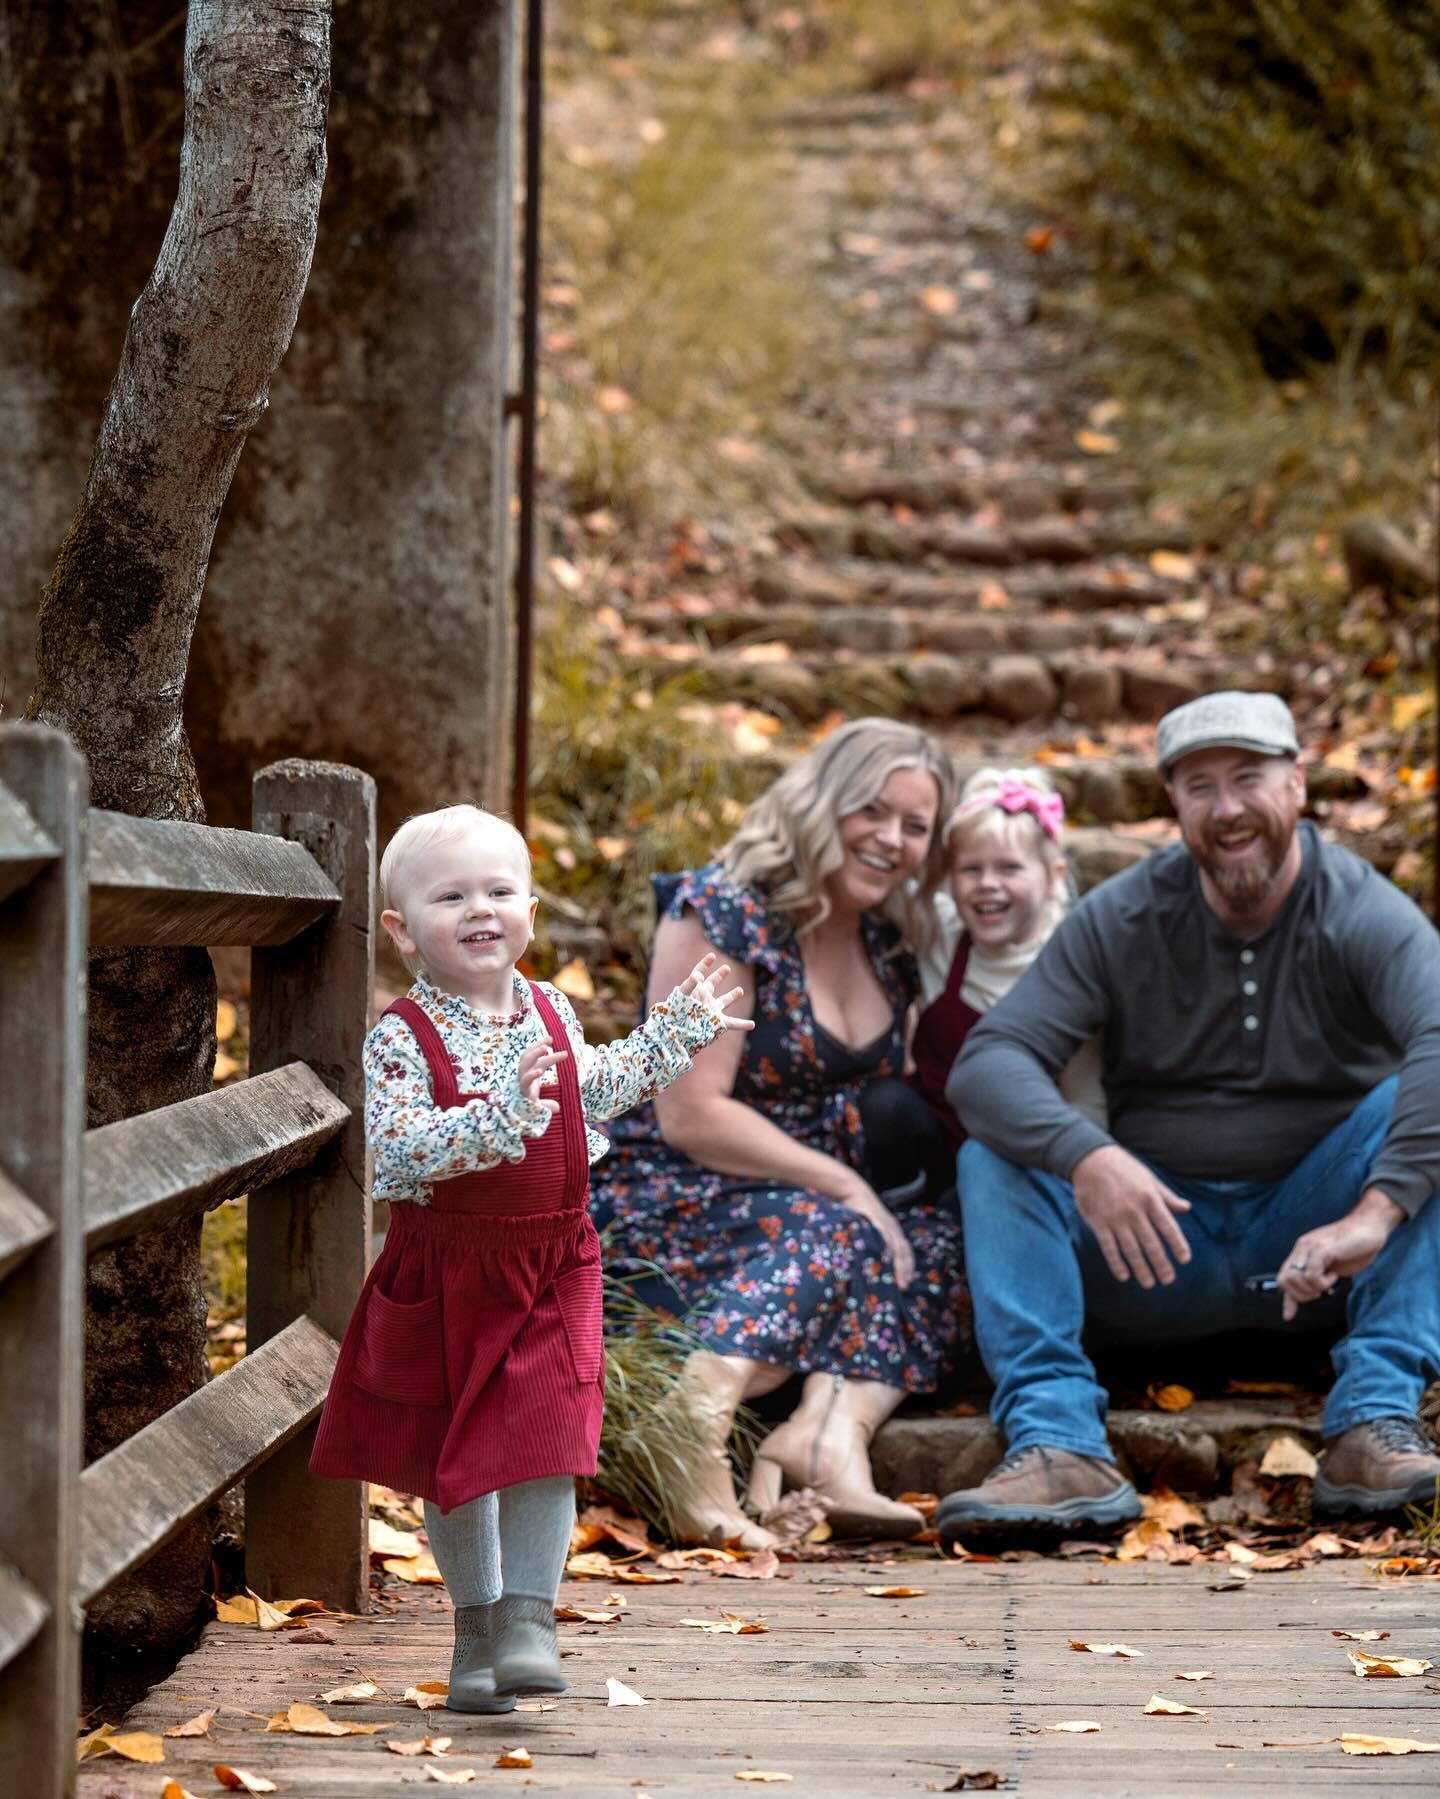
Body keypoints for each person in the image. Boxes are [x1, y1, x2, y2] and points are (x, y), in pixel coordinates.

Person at [937, 691, 1440, 1545]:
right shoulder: (1124, 915)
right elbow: (988, 1062)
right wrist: (1088, 1156)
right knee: (995, 1153)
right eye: (1200, 785)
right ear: (1173, 801)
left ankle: (1372, 1424)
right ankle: (1058, 1440)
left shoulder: (1360, 907)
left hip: (1321, 1255)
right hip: (1155, 1251)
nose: (1229, 807)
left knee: (1418, 1112)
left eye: (1249, 777)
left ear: (1297, 784)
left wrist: (1375, 1208)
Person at [309, 805, 753, 1711]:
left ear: (532, 911)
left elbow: (598, 1094)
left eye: (500, 890)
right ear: (401, 931)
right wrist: (498, 1116)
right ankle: (474, 1639)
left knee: (549, 1443)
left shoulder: (550, 1007)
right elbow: (394, 1155)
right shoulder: (402, 1036)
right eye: (451, 895)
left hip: (554, 1263)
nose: (481, 908)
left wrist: (675, 1035)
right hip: (448, 1273)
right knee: (458, 1458)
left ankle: (528, 1624)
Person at [591, 718, 970, 1548]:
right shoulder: (724, 911)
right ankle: (700, 1405)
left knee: (938, 1238)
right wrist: (843, 1181)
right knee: (851, 1223)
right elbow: (690, 1113)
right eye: (875, 810)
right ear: (823, 799)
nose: (894, 840)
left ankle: (826, 1434)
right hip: (678, 1188)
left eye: (917, 826)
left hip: (798, 1199)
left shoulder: (888, 942)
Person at [909, 766, 1104, 1187]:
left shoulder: (1073, 966)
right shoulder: (938, 933)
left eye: (1009, 868)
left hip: (1022, 1167)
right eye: (970, 869)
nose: (987, 884)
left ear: (1054, 877)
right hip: (937, 1148)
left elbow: (1086, 1103)